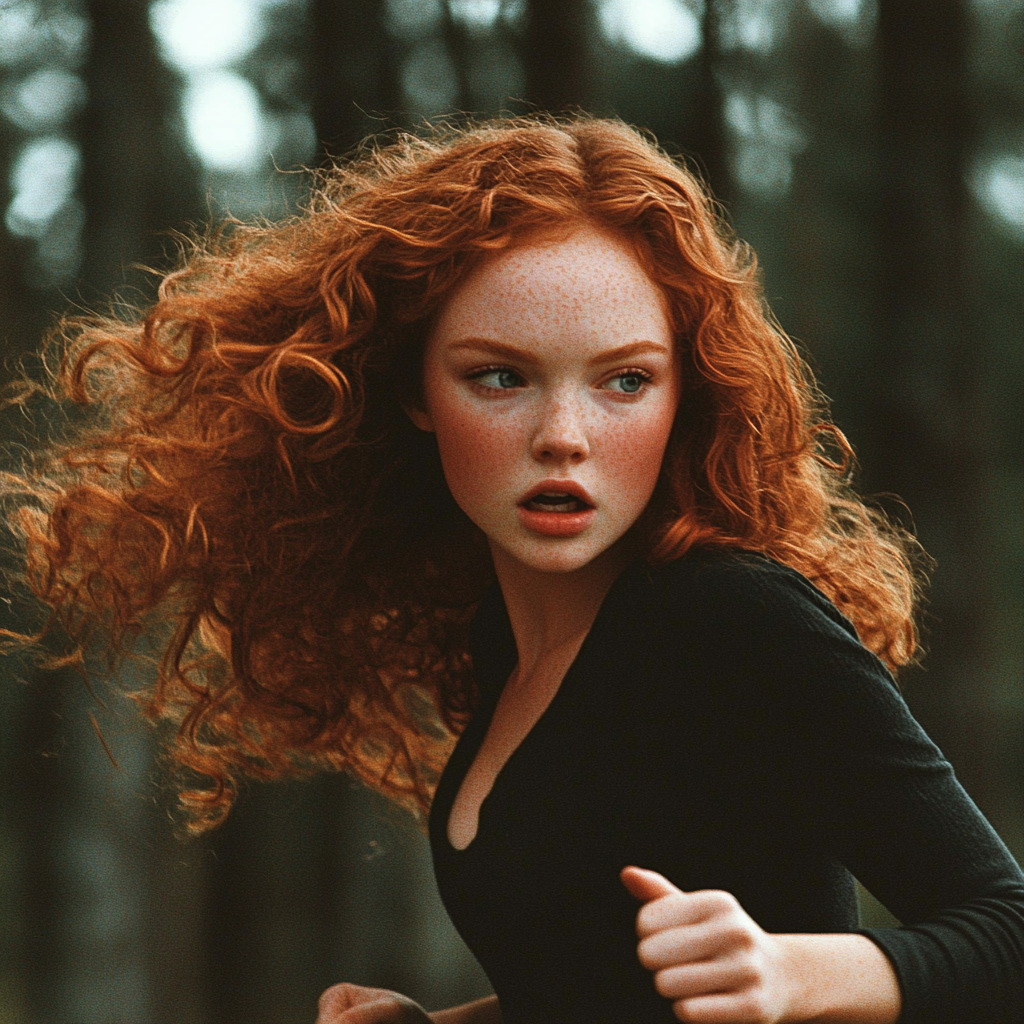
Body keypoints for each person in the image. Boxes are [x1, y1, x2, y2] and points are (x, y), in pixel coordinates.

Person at [6, 117, 1022, 1024]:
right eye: (499, 376)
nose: (562, 437)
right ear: (414, 388)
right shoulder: (506, 642)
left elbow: (1005, 931)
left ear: (685, 395)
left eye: (624, 380)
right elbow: (602, 989)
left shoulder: (731, 616)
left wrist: (791, 975)